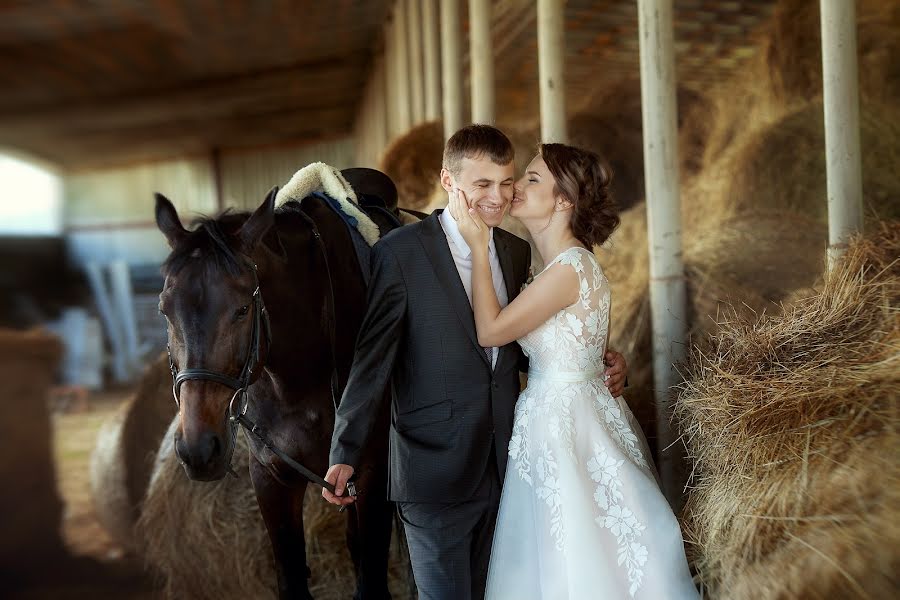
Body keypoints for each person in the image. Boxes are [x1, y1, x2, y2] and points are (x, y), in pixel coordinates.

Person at [322, 125, 629, 600]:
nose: (498, 196)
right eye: (482, 184)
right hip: (432, 469)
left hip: (512, 466)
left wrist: (593, 364)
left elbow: (513, 348)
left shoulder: (514, 251)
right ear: (449, 180)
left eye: (507, 182)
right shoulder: (400, 253)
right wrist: (345, 451)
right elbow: (372, 361)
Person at [450, 143, 698, 599]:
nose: (515, 189)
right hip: (556, 417)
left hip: (566, 426)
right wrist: (611, 359)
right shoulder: (560, 268)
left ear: (564, 200)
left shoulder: (569, 268)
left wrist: (478, 246)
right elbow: (584, 348)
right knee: (564, 549)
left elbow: (490, 332)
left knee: (579, 549)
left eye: (532, 179)